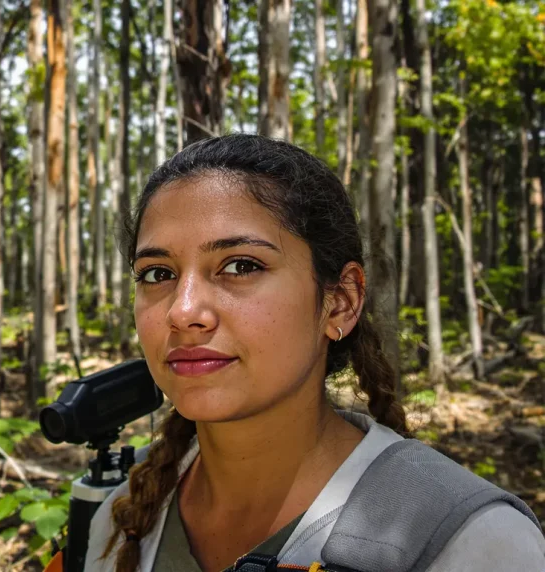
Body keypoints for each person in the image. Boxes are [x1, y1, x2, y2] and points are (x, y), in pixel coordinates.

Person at [82, 135, 545, 572]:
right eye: (157, 274)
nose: (183, 312)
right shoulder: (121, 523)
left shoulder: (472, 542)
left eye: (240, 266)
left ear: (340, 301)